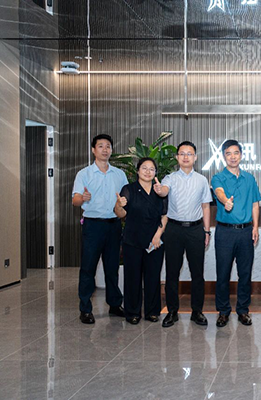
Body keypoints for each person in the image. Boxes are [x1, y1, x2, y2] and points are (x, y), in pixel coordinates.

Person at [72, 134, 128, 324]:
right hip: (93, 225)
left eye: (108, 146)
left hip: (114, 225)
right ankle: (85, 308)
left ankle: (114, 304)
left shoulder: (119, 174)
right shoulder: (84, 174)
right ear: (93, 150)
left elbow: (126, 200)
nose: (105, 149)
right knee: (88, 268)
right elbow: (75, 200)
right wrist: (82, 198)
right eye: (101, 146)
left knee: (112, 268)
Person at [155, 141, 212, 328]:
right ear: (177, 157)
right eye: (182, 153)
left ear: (195, 157)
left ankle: (197, 311)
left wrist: (206, 231)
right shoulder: (170, 178)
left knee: (197, 273)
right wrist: (160, 190)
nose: (186, 157)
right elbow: (164, 191)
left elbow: (205, 206)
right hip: (174, 230)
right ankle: (172, 311)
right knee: (172, 272)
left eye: (189, 154)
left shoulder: (202, 180)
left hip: (195, 229)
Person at [211, 139, 261, 328]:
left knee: (245, 273)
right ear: (224, 156)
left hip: (246, 231)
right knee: (223, 273)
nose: (232, 157)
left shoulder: (249, 178)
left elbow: (255, 204)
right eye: (228, 153)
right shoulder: (218, 177)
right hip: (225, 232)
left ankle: (243, 310)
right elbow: (219, 192)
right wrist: (225, 201)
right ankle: (223, 311)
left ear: (241, 155)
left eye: (236, 153)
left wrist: (255, 227)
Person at [114, 158, 168, 324]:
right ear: (137, 171)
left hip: (155, 241)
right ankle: (132, 312)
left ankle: (152, 312)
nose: (148, 172)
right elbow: (120, 214)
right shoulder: (129, 189)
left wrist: (158, 235)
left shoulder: (159, 190)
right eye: (144, 168)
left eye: (151, 169)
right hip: (133, 240)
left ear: (155, 173)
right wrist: (119, 205)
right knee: (133, 277)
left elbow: (165, 215)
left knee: (153, 277)